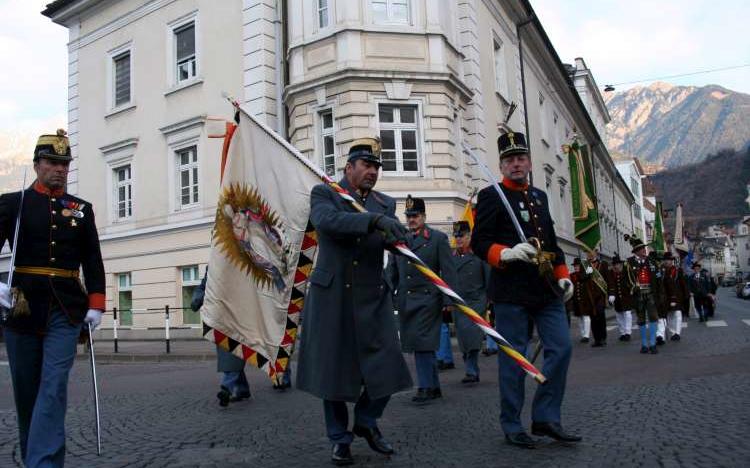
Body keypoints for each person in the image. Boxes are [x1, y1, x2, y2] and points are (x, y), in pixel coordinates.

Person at [296, 138, 413, 466]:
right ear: (348, 168)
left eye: (376, 167)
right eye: (366, 165)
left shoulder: (384, 203)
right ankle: (339, 439)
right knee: (332, 373)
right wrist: (372, 222)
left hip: (371, 296)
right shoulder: (326, 194)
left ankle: (366, 421)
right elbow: (327, 223)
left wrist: (400, 237)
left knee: (389, 365)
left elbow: (390, 241)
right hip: (332, 296)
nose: (373, 171)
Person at [0, 130, 105, 467]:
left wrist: (96, 304)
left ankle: (42, 463)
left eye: (65, 163)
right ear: (36, 165)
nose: (60, 168)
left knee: (53, 385)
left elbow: (92, 259)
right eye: (52, 162)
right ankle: (43, 459)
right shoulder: (12, 203)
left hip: (66, 310)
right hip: (22, 309)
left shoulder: (81, 210)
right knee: (28, 393)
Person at [471, 131, 579, 449]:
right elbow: (479, 242)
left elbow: (550, 243)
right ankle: (512, 423)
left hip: (546, 289)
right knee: (515, 360)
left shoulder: (540, 197)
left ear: (529, 162)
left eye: (520, 158)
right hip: (511, 290)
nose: (516, 164)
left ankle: (546, 417)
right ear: (502, 165)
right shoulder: (492, 195)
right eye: (509, 160)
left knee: (562, 349)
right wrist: (505, 253)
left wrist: (563, 275)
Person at [387, 195, 458, 403]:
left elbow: (449, 271)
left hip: (428, 300)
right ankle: (433, 387)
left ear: (424, 216)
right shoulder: (400, 240)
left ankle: (426, 386)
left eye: (415, 216)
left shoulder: (437, 239)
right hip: (407, 301)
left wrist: (448, 301)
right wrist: (389, 293)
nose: (411, 220)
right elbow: (392, 270)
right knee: (418, 344)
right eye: (408, 216)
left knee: (422, 344)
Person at [449, 221, 490, 384]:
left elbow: (488, 278)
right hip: (458, 303)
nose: (458, 239)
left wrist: (488, 299)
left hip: (476, 301)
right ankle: (470, 368)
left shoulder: (478, 255)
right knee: (463, 339)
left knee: (472, 337)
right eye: (456, 236)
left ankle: (471, 371)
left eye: (462, 236)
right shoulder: (451, 256)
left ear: (469, 236)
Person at [623, 235, 663, 354]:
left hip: (651, 293)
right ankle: (644, 344)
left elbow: (658, 278)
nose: (644, 250)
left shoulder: (652, 261)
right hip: (638, 294)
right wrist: (633, 287)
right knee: (641, 319)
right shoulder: (629, 263)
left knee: (653, 317)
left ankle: (653, 343)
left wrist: (660, 294)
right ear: (636, 251)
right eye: (641, 249)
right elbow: (626, 279)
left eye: (644, 248)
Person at [660, 252, 689, 341]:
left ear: (672, 261)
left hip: (677, 296)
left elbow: (683, 283)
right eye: (665, 260)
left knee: (677, 313)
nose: (667, 262)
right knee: (669, 315)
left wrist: (686, 294)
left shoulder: (677, 270)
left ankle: (677, 332)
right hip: (666, 297)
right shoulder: (661, 271)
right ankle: (672, 332)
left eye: (669, 260)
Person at [570, 258, 599, 344]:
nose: (576, 267)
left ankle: (586, 335)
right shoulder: (572, 275)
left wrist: (588, 263)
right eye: (575, 266)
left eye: (577, 266)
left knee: (586, 317)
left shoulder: (585, 274)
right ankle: (583, 334)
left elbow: (590, 272)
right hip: (576, 300)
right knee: (579, 318)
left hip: (585, 300)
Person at [606, 254, 633, 341]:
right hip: (617, 298)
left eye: (617, 264)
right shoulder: (610, 273)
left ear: (620, 264)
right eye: (614, 264)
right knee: (619, 316)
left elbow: (631, 281)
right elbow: (610, 284)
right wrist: (611, 294)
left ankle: (628, 332)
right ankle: (622, 333)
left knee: (627, 315)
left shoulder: (626, 271)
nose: (616, 266)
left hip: (626, 297)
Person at [585, 250, 609, 347]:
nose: (589, 254)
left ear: (596, 253)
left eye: (591, 252)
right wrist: (587, 268)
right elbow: (583, 278)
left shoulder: (603, 264)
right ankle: (597, 339)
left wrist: (610, 293)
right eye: (587, 252)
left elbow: (608, 279)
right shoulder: (586, 264)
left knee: (600, 316)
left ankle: (603, 338)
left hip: (600, 295)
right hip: (590, 296)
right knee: (593, 317)